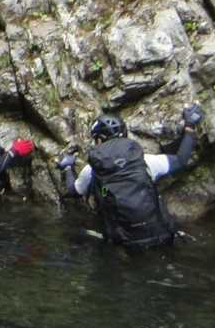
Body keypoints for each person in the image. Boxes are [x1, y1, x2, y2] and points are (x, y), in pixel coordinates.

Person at [59, 107, 202, 250]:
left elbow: (73, 191)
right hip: (159, 234)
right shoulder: (144, 161)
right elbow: (181, 160)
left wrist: (68, 167)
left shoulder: (91, 170)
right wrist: (189, 126)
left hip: (124, 243)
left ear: (99, 140)